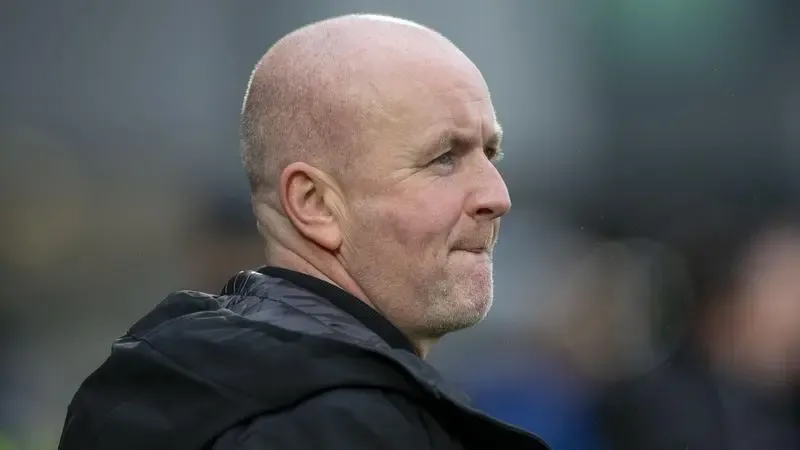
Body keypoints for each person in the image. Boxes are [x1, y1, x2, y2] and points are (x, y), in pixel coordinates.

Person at [58, 14, 550, 450]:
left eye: (490, 153)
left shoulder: (153, 392)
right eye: (443, 158)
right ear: (314, 204)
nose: (497, 195)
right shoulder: (342, 427)